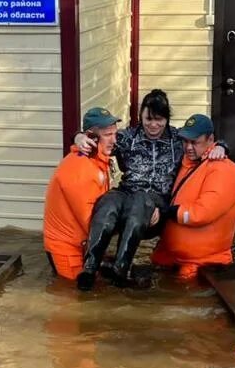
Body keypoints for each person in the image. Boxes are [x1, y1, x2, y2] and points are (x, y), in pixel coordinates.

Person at [73, 89, 225, 290]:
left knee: (141, 200)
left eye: (159, 119)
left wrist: (222, 146)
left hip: (156, 203)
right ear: (140, 117)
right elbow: (101, 136)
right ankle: (90, 268)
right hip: (126, 192)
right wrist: (78, 137)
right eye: (148, 119)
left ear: (167, 119)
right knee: (108, 202)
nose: (153, 125)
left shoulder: (177, 141)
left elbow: (202, 142)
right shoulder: (128, 137)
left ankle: (121, 267)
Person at [152, 113, 235, 280]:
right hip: (168, 258)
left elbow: (203, 213)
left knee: (187, 302)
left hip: (202, 264)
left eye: (194, 142)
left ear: (210, 140)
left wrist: (167, 212)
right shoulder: (187, 162)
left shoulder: (224, 170)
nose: (188, 147)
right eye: (185, 141)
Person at [43, 106, 120, 281]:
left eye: (115, 133)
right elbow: (92, 224)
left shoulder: (97, 161)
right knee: (73, 300)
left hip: (81, 245)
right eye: (108, 135)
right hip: (67, 250)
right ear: (91, 137)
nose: (114, 140)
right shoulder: (80, 168)